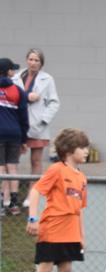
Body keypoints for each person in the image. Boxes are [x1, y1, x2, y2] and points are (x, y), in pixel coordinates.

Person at [26, 127, 91, 272]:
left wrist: (81, 236)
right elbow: (36, 191)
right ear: (70, 150)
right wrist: (33, 218)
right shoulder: (56, 169)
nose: (86, 151)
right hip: (52, 228)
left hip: (70, 232)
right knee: (44, 270)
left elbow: (79, 209)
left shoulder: (81, 177)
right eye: (82, 147)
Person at [16, 48, 61, 178]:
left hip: (37, 125)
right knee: (13, 161)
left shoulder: (47, 79)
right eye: (31, 59)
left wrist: (44, 119)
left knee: (35, 161)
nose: (33, 63)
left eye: (37, 60)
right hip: (18, 124)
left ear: (41, 63)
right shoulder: (16, 77)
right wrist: (27, 96)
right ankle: (10, 195)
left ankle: (31, 196)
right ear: (26, 60)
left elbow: (54, 102)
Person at [0, 57, 29, 214]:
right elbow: (24, 118)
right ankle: (13, 203)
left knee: (1, 168)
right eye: (13, 69)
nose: (14, 71)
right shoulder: (18, 91)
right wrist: (24, 139)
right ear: (8, 72)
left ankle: (2, 204)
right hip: (15, 133)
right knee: (12, 167)